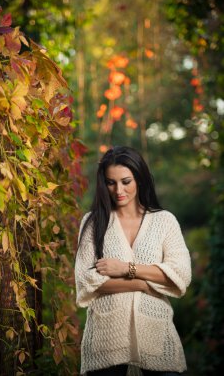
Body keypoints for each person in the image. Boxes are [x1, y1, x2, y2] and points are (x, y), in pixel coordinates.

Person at [75, 146, 191, 376]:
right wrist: (143, 283)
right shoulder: (93, 223)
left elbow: (180, 274)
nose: (119, 190)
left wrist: (124, 269)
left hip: (156, 333)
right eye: (111, 182)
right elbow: (86, 281)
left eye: (126, 181)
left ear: (139, 178)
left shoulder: (164, 222)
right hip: (105, 338)